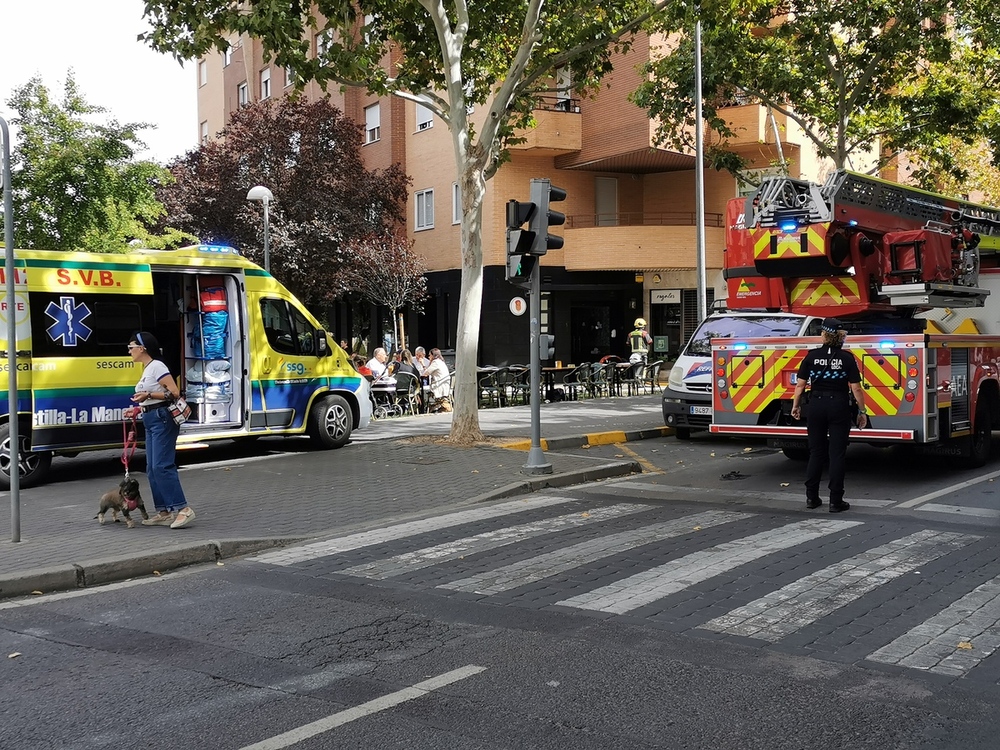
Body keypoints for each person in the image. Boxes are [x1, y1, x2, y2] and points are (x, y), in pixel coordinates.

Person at [790, 318, 867, 513]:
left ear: (823, 334)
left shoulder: (811, 356)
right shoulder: (847, 358)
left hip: (816, 405)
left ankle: (811, 497)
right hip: (839, 405)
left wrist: (796, 406)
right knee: (837, 454)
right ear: (841, 337)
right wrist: (862, 411)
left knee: (816, 452)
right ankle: (835, 501)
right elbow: (856, 388)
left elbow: (800, 385)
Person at [128, 332, 196, 529]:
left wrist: (148, 394)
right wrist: (136, 408)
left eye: (131, 347)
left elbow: (173, 392)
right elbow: (149, 398)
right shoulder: (147, 368)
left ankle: (183, 509)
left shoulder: (157, 366)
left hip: (162, 418)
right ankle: (164, 511)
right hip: (150, 417)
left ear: (143, 348)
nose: (129, 351)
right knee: (151, 468)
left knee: (161, 465)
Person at [422, 347, 452, 413]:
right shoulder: (441, 362)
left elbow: (425, 373)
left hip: (439, 385)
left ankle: (424, 407)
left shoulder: (435, 362)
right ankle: (437, 406)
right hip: (444, 384)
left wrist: (423, 364)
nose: (428, 357)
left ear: (433, 356)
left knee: (423, 391)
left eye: (429, 355)